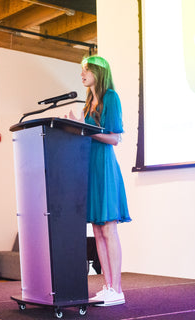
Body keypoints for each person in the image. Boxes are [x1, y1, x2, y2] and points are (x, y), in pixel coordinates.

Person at [71, 55, 131, 307]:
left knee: (108, 228)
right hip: (90, 167)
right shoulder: (88, 103)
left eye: (86, 70)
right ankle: (106, 286)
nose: (82, 74)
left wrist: (85, 129)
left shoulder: (110, 98)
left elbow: (115, 137)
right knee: (96, 229)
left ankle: (117, 288)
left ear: (98, 72)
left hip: (104, 167)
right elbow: (89, 136)